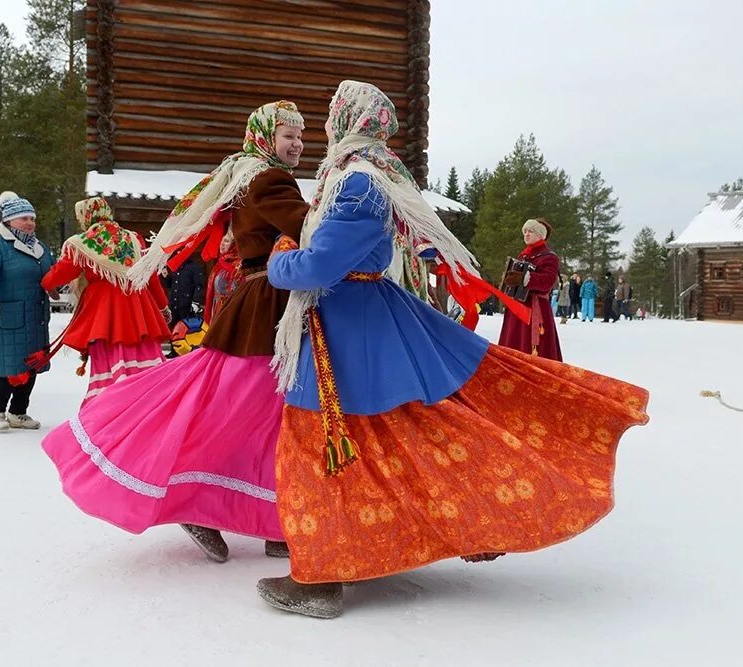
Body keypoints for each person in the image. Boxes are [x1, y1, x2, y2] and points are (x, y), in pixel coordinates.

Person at [256, 81, 650, 619]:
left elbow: (320, 266)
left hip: (348, 330)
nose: (326, 125)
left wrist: (280, 260)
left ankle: (321, 579)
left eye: (331, 114)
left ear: (349, 120)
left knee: (315, 445)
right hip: (362, 322)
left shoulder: (357, 182)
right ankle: (362, 553)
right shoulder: (370, 176)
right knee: (375, 444)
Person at [41, 100, 310, 561]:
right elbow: (307, 228)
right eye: (289, 135)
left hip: (265, 301)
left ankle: (270, 519)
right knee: (249, 411)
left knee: (265, 413)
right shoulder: (269, 179)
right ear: (266, 137)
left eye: (301, 136)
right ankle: (193, 499)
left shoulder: (247, 175)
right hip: (268, 306)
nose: (298, 144)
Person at [40, 197, 171, 404]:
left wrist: (46, 283)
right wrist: (162, 306)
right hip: (137, 307)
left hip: (104, 310)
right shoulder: (134, 238)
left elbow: (62, 272)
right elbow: (149, 275)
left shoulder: (82, 243)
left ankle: (110, 403)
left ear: (86, 217)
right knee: (141, 354)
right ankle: (147, 400)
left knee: (110, 356)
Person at [0, 191, 56, 431]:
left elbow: (52, 273)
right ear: (9, 220)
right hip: (6, 315)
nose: (30, 223)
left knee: (32, 365)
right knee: (10, 365)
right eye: (24, 218)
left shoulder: (39, 247)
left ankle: (18, 412)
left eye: (32, 218)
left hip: (35, 315)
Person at [498, 218, 562, 360]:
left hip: (535, 309)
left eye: (531, 231)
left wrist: (526, 278)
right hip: (517, 308)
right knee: (514, 341)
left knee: (533, 347)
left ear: (540, 235)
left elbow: (548, 281)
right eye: (525, 231)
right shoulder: (523, 255)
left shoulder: (550, 257)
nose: (526, 234)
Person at [203, 229, 242, 325]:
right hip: (217, 309)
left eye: (226, 241)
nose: (222, 244)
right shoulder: (220, 263)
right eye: (222, 240)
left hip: (229, 312)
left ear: (234, 245)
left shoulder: (238, 267)